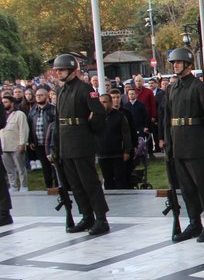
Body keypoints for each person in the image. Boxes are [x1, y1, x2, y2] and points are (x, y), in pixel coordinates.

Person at [162, 48, 204, 242]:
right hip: (178, 143)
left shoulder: (200, 87)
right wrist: (168, 143)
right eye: (173, 63)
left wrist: (196, 129)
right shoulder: (172, 88)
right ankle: (194, 222)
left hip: (196, 145)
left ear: (188, 64)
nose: (175, 65)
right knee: (187, 187)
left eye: (178, 62)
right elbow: (167, 118)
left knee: (203, 185)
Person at [52, 55, 109, 235]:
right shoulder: (60, 91)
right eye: (57, 70)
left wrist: (91, 128)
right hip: (66, 143)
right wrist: (56, 146)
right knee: (75, 184)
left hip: (81, 142)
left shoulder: (85, 89)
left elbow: (99, 112)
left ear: (71, 70)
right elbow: (57, 121)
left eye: (61, 69)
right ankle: (86, 216)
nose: (58, 72)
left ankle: (101, 218)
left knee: (89, 182)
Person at [97, 92, 133, 190]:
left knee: (120, 180)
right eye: (100, 102)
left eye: (104, 102)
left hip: (117, 154)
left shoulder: (120, 116)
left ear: (110, 102)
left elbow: (126, 135)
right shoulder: (96, 117)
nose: (102, 104)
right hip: (102, 154)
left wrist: (126, 151)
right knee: (107, 179)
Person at [26, 87, 56, 188]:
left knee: (55, 166)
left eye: (41, 95)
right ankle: (49, 186)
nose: (38, 97)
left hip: (51, 144)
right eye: (37, 95)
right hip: (38, 144)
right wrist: (31, 141)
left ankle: (59, 186)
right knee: (45, 166)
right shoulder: (33, 110)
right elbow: (29, 126)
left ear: (47, 97)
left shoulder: (53, 109)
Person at [1, 94, 29, 192]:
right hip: (4, 146)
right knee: (9, 169)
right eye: (2, 102)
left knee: (20, 168)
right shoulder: (2, 115)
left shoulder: (19, 114)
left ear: (12, 103)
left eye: (6, 102)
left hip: (16, 146)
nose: (3, 104)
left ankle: (24, 186)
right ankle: (13, 185)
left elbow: (23, 129)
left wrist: (22, 143)